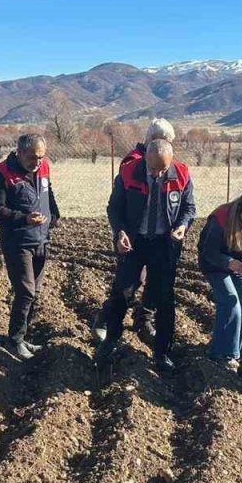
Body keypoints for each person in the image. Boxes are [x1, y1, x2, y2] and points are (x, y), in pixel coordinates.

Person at [95, 138, 195, 376]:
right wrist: (120, 232)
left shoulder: (181, 174)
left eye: (163, 169)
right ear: (145, 159)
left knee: (165, 298)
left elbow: (189, 208)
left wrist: (182, 225)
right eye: (153, 169)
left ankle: (162, 353)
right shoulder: (128, 172)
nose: (158, 174)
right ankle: (110, 342)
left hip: (164, 243)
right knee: (122, 292)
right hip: (135, 241)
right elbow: (114, 208)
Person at [92, 118, 175, 344]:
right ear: (154, 140)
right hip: (133, 237)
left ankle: (143, 319)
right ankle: (105, 319)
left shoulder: (165, 162)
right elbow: (118, 204)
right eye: (167, 141)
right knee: (130, 283)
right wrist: (121, 232)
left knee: (155, 283)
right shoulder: (132, 163)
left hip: (158, 237)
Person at [0, 133, 60, 360]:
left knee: (34, 292)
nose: (37, 162)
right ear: (19, 153)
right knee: (25, 292)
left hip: (41, 240)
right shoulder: (2, 173)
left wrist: (54, 216)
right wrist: (23, 218)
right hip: (17, 242)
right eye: (32, 157)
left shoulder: (44, 167)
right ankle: (15, 340)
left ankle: (23, 336)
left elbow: (48, 193)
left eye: (41, 157)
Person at [198, 190, 242, 371]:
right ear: (239, 212)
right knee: (230, 302)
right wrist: (228, 262)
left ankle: (232, 349)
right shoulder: (221, 219)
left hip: (239, 266)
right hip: (215, 265)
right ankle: (223, 355)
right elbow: (208, 251)